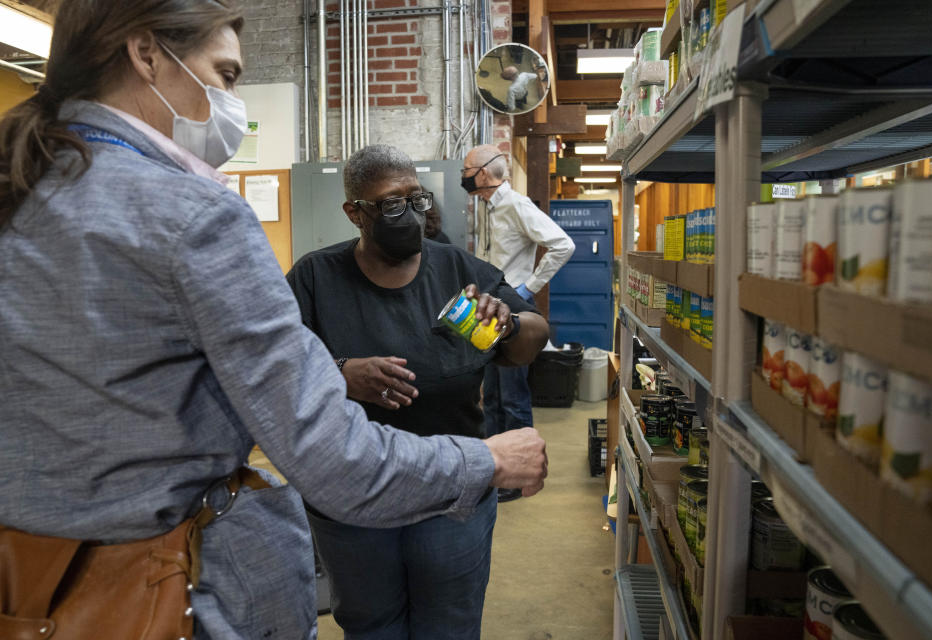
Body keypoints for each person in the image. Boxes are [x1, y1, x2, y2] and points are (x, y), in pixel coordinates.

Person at [0, 3, 547, 639]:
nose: (232, 102)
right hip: (165, 587)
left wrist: (506, 326)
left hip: (32, 587)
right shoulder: (196, 216)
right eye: (226, 75)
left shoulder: (22, 192)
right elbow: (335, 460)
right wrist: (486, 462)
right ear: (145, 53)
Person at [286, 144, 550, 639]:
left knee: (448, 622)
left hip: (453, 493)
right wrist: (340, 373)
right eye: (389, 204)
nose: (408, 214)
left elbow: (530, 341)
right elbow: (279, 370)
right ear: (355, 213)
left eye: (416, 199)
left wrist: (510, 323)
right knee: (371, 623)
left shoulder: (457, 271)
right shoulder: (315, 278)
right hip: (355, 495)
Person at [462, 144, 575, 501]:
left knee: (513, 396)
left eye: (466, 170)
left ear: (482, 174)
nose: (462, 176)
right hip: (486, 314)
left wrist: (528, 288)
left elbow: (563, 244)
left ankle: (521, 476)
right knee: (491, 395)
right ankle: (497, 468)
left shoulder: (516, 205)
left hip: (511, 311)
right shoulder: (486, 206)